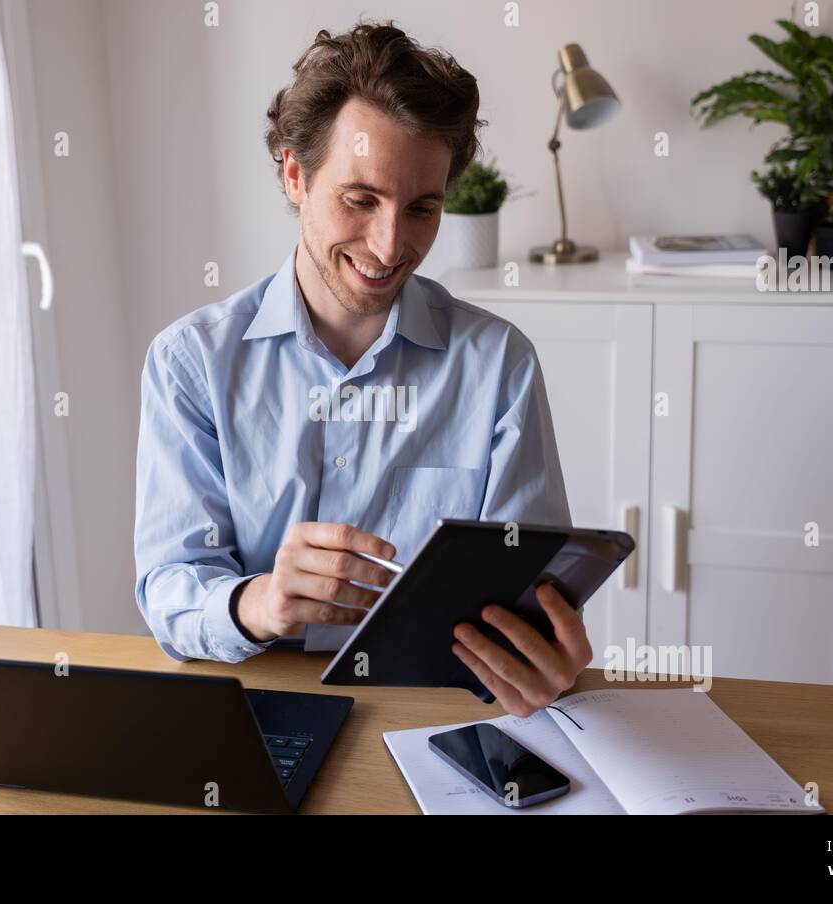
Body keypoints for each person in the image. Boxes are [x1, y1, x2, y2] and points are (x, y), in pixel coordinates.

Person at [134, 20, 591, 717]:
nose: (390, 245)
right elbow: (171, 588)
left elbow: (527, 602)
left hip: (438, 717)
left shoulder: (499, 365)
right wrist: (260, 601)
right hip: (254, 710)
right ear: (295, 174)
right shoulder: (190, 363)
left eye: (423, 208)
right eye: (360, 200)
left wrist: (544, 659)